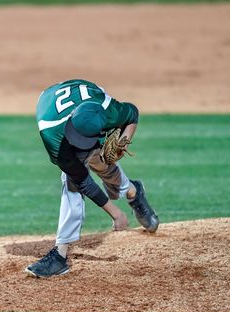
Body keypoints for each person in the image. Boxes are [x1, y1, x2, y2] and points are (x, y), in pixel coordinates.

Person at [25, 79, 159, 278]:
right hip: (55, 106)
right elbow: (82, 180)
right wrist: (115, 213)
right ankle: (60, 256)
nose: (80, 144)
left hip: (89, 101)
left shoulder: (108, 110)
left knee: (101, 159)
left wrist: (124, 141)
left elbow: (133, 114)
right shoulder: (51, 133)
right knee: (71, 183)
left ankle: (133, 191)